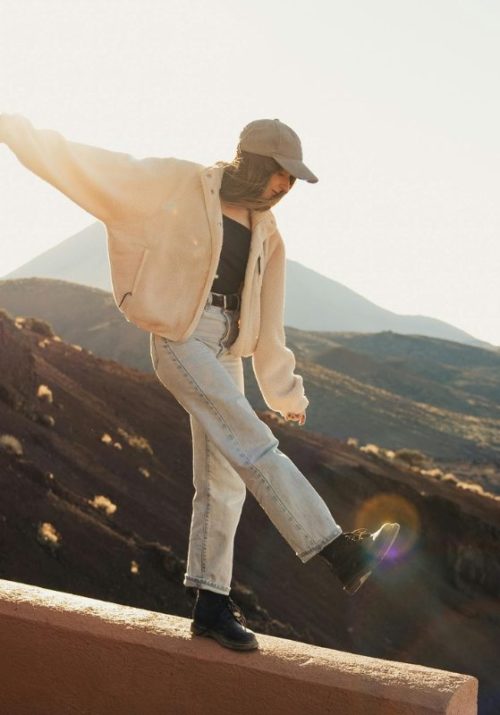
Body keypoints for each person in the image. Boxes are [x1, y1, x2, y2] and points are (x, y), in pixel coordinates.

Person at [0, 114, 400, 652]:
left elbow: (269, 318)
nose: (285, 187)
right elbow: (94, 168)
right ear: (254, 162)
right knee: (254, 445)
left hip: (227, 343)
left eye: (292, 181)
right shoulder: (181, 184)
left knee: (224, 480)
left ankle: (211, 605)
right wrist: (12, 129)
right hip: (182, 336)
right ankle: (337, 550)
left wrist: (284, 391)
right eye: (281, 174)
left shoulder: (268, 231)